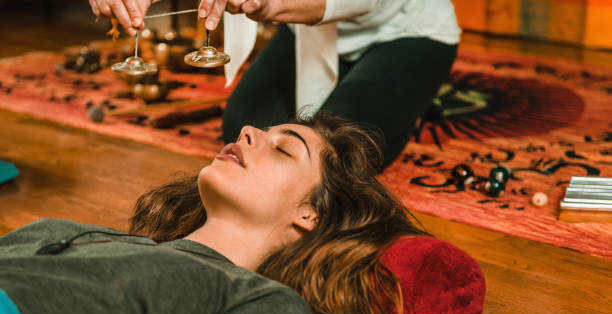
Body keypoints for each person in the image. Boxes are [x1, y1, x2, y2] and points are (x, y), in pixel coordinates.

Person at [1, 111, 428, 314]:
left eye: (283, 150)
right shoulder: (60, 229)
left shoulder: (266, 304)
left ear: (308, 215)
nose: (246, 131)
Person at [89, 0, 461, 169]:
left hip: (406, 29)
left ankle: (412, 99)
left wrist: (267, 4)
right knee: (247, 132)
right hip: (307, 29)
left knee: (334, 156)